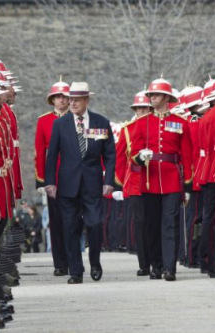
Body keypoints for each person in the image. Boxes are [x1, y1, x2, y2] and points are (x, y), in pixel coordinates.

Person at [45, 82, 115, 284]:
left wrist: (109, 180)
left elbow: (110, 155)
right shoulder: (60, 124)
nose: (72, 103)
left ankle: (95, 262)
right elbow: (52, 156)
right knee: (70, 227)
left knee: (94, 223)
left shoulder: (101, 122)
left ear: (86, 100)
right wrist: (50, 181)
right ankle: (76, 271)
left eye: (76, 99)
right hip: (67, 183)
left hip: (93, 182)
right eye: (70, 99)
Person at [130, 78, 192, 281]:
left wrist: (188, 184)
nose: (152, 98)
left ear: (166, 97)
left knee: (170, 224)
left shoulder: (180, 123)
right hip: (150, 179)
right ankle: (155, 265)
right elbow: (134, 154)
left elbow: (186, 156)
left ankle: (169, 267)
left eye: (155, 95)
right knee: (152, 225)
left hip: (172, 179)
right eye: (150, 95)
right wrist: (140, 157)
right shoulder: (141, 123)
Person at [113, 91, 153, 276]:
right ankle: (144, 263)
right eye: (139, 108)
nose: (142, 111)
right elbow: (120, 158)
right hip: (136, 180)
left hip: (155, 178)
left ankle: (157, 260)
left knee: (154, 221)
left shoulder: (156, 126)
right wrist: (119, 185)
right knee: (140, 222)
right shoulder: (127, 129)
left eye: (145, 108)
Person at [35, 80, 70, 275]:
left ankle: (73, 258)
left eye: (65, 97)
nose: (62, 100)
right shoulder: (44, 121)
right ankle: (60, 263)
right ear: (52, 100)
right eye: (58, 97)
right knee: (56, 222)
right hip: (54, 177)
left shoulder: (77, 118)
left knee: (73, 220)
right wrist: (41, 180)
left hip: (74, 175)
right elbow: (40, 151)